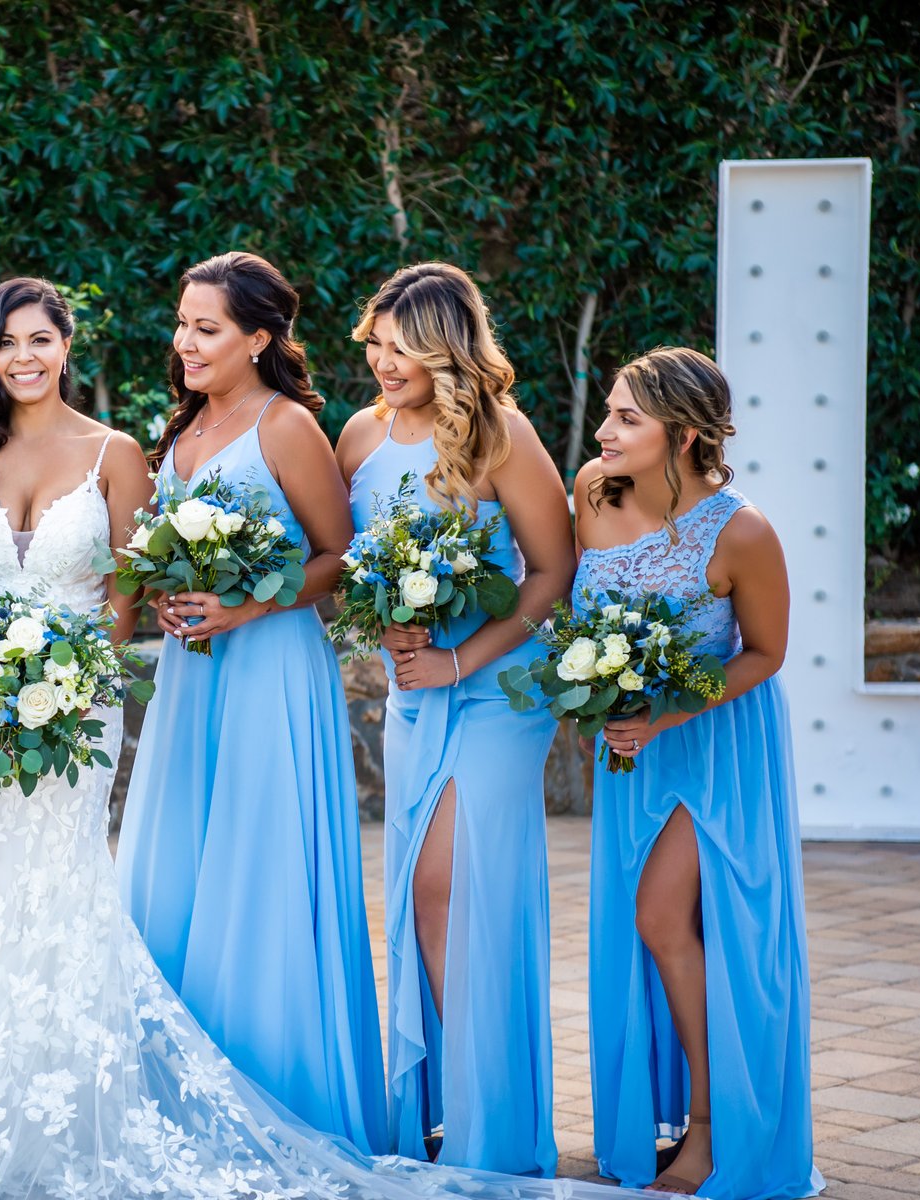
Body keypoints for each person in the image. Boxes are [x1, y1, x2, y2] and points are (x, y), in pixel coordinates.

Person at [118, 251, 387, 1152]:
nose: (185, 343)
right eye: (182, 324)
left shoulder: (287, 425)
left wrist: (248, 605)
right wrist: (168, 595)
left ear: (260, 339)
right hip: (193, 676)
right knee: (180, 869)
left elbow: (341, 557)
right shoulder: (183, 426)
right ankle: (179, 1097)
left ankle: (277, 1096)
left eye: (207, 329)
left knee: (257, 865)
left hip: (269, 671)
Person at [337, 262, 573, 1173]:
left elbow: (551, 572)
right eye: (378, 345)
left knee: (451, 891)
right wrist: (381, 623)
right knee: (422, 898)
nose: (385, 363)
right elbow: (345, 562)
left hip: (498, 692)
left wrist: (459, 658)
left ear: (449, 350)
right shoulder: (360, 434)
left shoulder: (501, 436)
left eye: (405, 349)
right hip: (413, 696)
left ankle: (490, 1125)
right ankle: (449, 1110)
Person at [575, 346, 821, 1198]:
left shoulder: (742, 531)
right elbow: (578, 619)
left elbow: (766, 653)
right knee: (653, 925)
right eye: (609, 413)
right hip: (629, 749)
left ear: (682, 435)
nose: (603, 432)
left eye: (626, 418)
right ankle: (670, 1114)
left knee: (661, 916)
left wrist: (669, 712)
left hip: (716, 747)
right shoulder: (593, 493)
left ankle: (715, 1132)